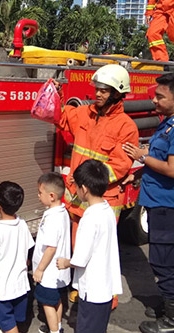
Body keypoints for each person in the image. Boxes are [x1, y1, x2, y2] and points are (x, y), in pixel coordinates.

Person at [54, 63, 139, 306]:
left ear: (117, 93)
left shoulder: (126, 127)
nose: (98, 94)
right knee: (78, 248)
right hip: (78, 197)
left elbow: (120, 166)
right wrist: (56, 93)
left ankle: (106, 298)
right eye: (97, 89)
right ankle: (81, 289)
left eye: (104, 90)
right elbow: (61, 116)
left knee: (101, 253)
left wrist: (89, 182)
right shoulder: (84, 113)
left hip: (103, 200)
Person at [122, 72, 174, 333]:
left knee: (163, 259)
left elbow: (172, 169)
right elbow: (159, 159)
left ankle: (171, 319)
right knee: (163, 258)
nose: (154, 100)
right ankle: (167, 303)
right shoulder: (167, 125)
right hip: (157, 201)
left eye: (160, 96)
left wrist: (141, 157)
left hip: (167, 205)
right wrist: (138, 173)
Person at [56, 159, 123, 333]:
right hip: (106, 288)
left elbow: (80, 259)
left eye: (77, 187)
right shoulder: (107, 210)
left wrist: (65, 262)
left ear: (84, 189)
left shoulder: (89, 218)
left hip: (93, 290)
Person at [0, 181, 35, 333]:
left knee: (6, 322)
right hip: (21, 286)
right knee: (16, 320)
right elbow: (29, 249)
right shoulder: (22, 223)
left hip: (3, 288)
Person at [32, 173, 71, 333]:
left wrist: (40, 269)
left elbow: (51, 247)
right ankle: (57, 326)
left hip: (49, 273)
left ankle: (54, 331)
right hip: (59, 274)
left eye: (40, 192)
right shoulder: (62, 212)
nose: (38, 195)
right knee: (57, 301)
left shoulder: (52, 219)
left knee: (47, 303)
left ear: (52, 196)